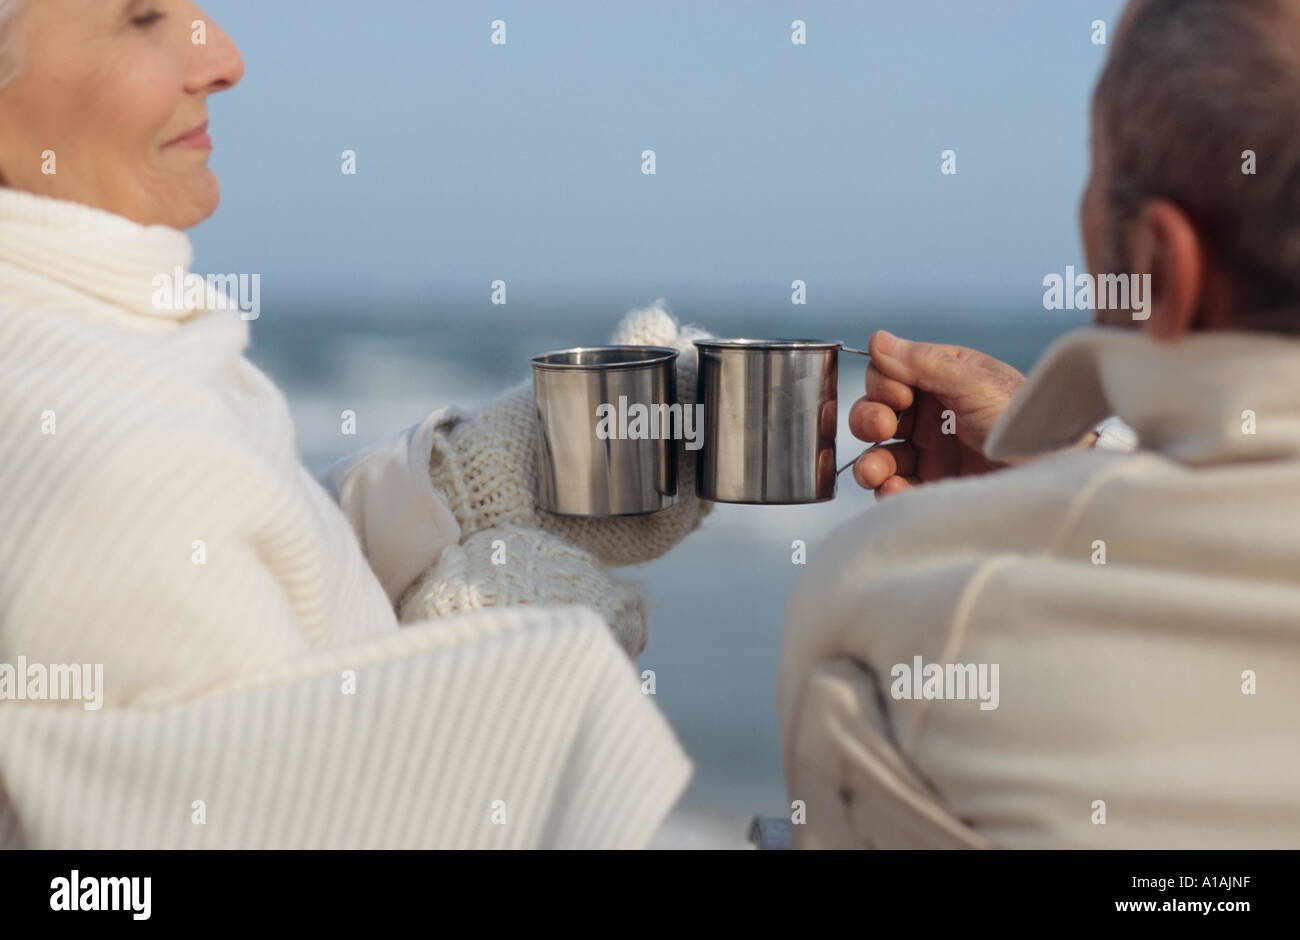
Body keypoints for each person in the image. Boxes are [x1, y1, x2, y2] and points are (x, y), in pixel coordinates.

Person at [0, 0, 710, 848]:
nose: (223, 57)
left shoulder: (92, 342)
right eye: (144, 17)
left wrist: (466, 491)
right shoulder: (107, 448)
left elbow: (249, 634)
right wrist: (491, 666)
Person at [780, 0, 1300, 848]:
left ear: (1163, 268)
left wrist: (1062, 514)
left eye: (1094, 173)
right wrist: (1079, 468)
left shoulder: (888, 610)